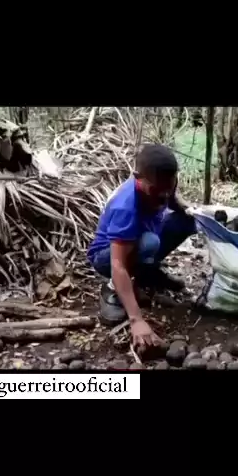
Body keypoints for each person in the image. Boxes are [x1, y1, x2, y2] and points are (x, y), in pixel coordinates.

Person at [88, 144, 197, 349]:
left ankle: (147, 273)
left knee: (188, 221)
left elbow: (173, 200)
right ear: (138, 177)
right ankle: (111, 288)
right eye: (156, 190)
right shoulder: (125, 206)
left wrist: (192, 210)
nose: (163, 195)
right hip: (107, 257)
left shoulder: (163, 184)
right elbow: (117, 264)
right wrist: (136, 320)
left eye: (168, 187)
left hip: (143, 237)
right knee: (149, 243)